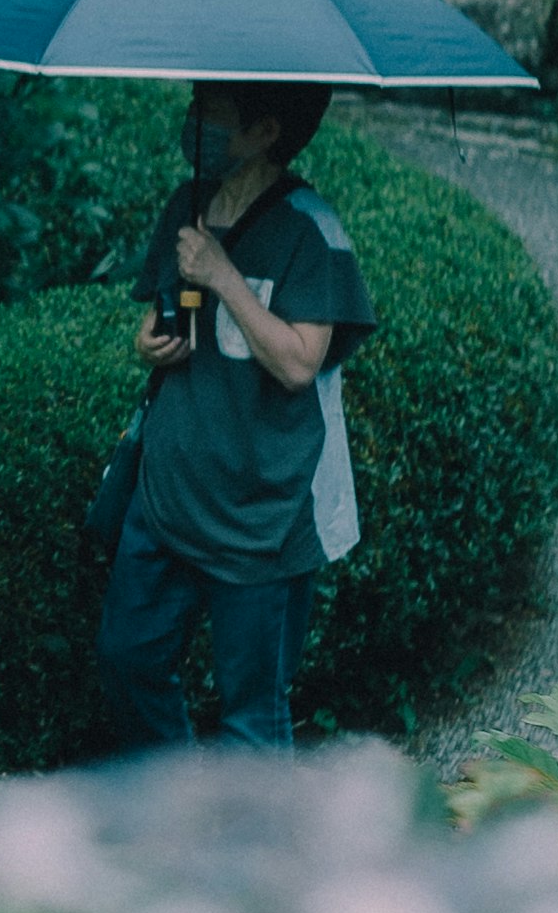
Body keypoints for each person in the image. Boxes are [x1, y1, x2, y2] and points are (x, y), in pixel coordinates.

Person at [99, 78, 375, 752]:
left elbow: (298, 362)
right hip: (167, 495)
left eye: (212, 113)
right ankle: (174, 813)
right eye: (195, 106)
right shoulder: (186, 206)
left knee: (252, 715)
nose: (193, 122)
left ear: (265, 132)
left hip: (261, 516)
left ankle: (251, 856)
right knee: (127, 659)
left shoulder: (312, 231)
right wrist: (147, 342)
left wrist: (223, 275)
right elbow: (157, 315)